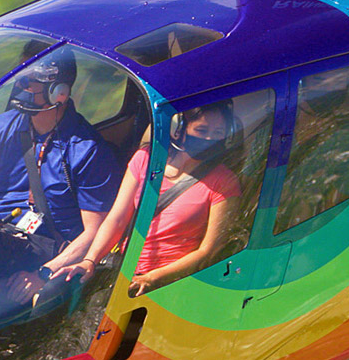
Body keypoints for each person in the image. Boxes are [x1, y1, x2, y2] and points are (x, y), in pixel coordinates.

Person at [0, 44, 118, 303]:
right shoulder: (1, 127)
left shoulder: (87, 150)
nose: (21, 86)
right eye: (21, 76)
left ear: (59, 92)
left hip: (48, 248)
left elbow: (95, 232)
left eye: (32, 80)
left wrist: (44, 273)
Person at [56, 101, 239, 296]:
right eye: (202, 130)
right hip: (123, 267)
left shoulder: (224, 181)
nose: (210, 138)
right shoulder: (146, 159)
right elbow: (116, 219)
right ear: (178, 129)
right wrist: (90, 261)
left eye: (219, 132)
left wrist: (152, 278)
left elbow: (208, 250)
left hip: (168, 283)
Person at [275, 66, 349, 232]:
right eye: (319, 80)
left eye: (338, 81)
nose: (329, 88)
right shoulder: (269, 135)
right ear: (302, 83)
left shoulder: (347, 140)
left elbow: (339, 208)